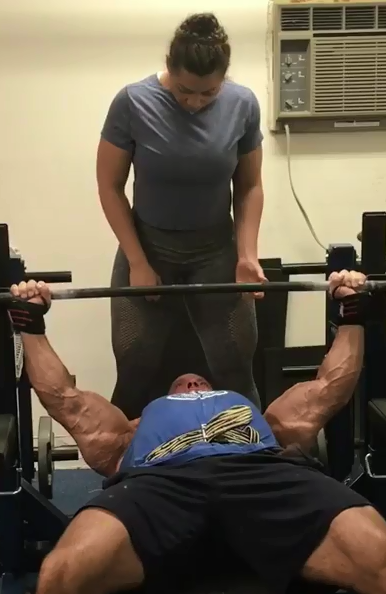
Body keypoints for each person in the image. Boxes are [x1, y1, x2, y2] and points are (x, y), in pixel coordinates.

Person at [7, 271, 386, 594]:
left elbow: (330, 387)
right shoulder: (131, 429)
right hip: (158, 484)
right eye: (182, 384)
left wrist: (352, 311)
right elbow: (65, 398)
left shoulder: (263, 419)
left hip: (264, 475)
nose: (191, 383)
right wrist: (30, 321)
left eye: (198, 382)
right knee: (60, 575)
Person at [96, 12, 266, 419]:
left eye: (208, 94)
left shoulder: (242, 104)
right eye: (186, 91)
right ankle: (124, 477)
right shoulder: (133, 102)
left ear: (223, 79)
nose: (195, 102)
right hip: (148, 246)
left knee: (234, 368)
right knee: (136, 367)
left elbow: (249, 186)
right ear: (170, 68)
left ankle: (257, 465)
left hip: (215, 251)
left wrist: (247, 254)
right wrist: (137, 262)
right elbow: (109, 186)